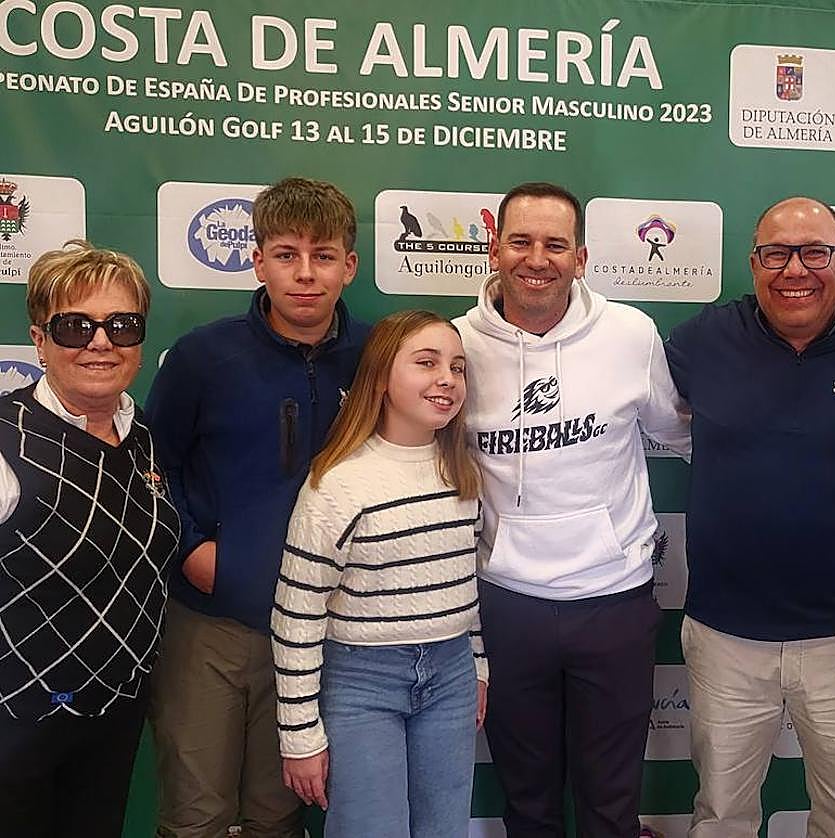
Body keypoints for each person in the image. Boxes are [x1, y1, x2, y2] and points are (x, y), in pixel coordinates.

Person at [454, 181, 690, 837]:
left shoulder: (630, 334)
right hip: (506, 603)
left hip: (614, 601)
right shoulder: (456, 346)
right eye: (521, 242)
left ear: (580, 258)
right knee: (528, 802)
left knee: (611, 803)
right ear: (494, 250)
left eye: (555, 245)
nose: (537, 259)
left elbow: (679, 434)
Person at [665, 196, 835, 838]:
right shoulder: (701, 341)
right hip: (726, 636)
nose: (795, 270)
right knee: (721, 814)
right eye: (777, 254)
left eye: (815, 252)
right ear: (753, 262)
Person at [146, 177, 370, 837]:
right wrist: (193, 549)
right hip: (212, 623)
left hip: (326, 629)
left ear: (350, 265)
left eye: (322, 256)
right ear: (257, 261)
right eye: (286, 254)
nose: (305, 273)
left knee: (278, 816)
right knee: (197, 815)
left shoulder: (376, 358)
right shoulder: (202, 356)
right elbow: (154, 467)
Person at [271, 310, 487, 837]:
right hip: (360, 681)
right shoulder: (337, 485)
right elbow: (297, 616)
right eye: (426, 363)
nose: (447, 379)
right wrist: (299, 734)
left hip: (452, 675)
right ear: (382, 379)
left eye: (457, 367)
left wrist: (478, 666)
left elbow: (464, 585)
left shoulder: (463, 473)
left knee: (444, 829)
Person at [0, 240, 180, 836]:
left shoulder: (143, 434)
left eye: (121, 325)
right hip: (15, 725)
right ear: (39, 339)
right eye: (75, 326)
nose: (100, 342)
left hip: (112, 714)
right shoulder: (5, 438)